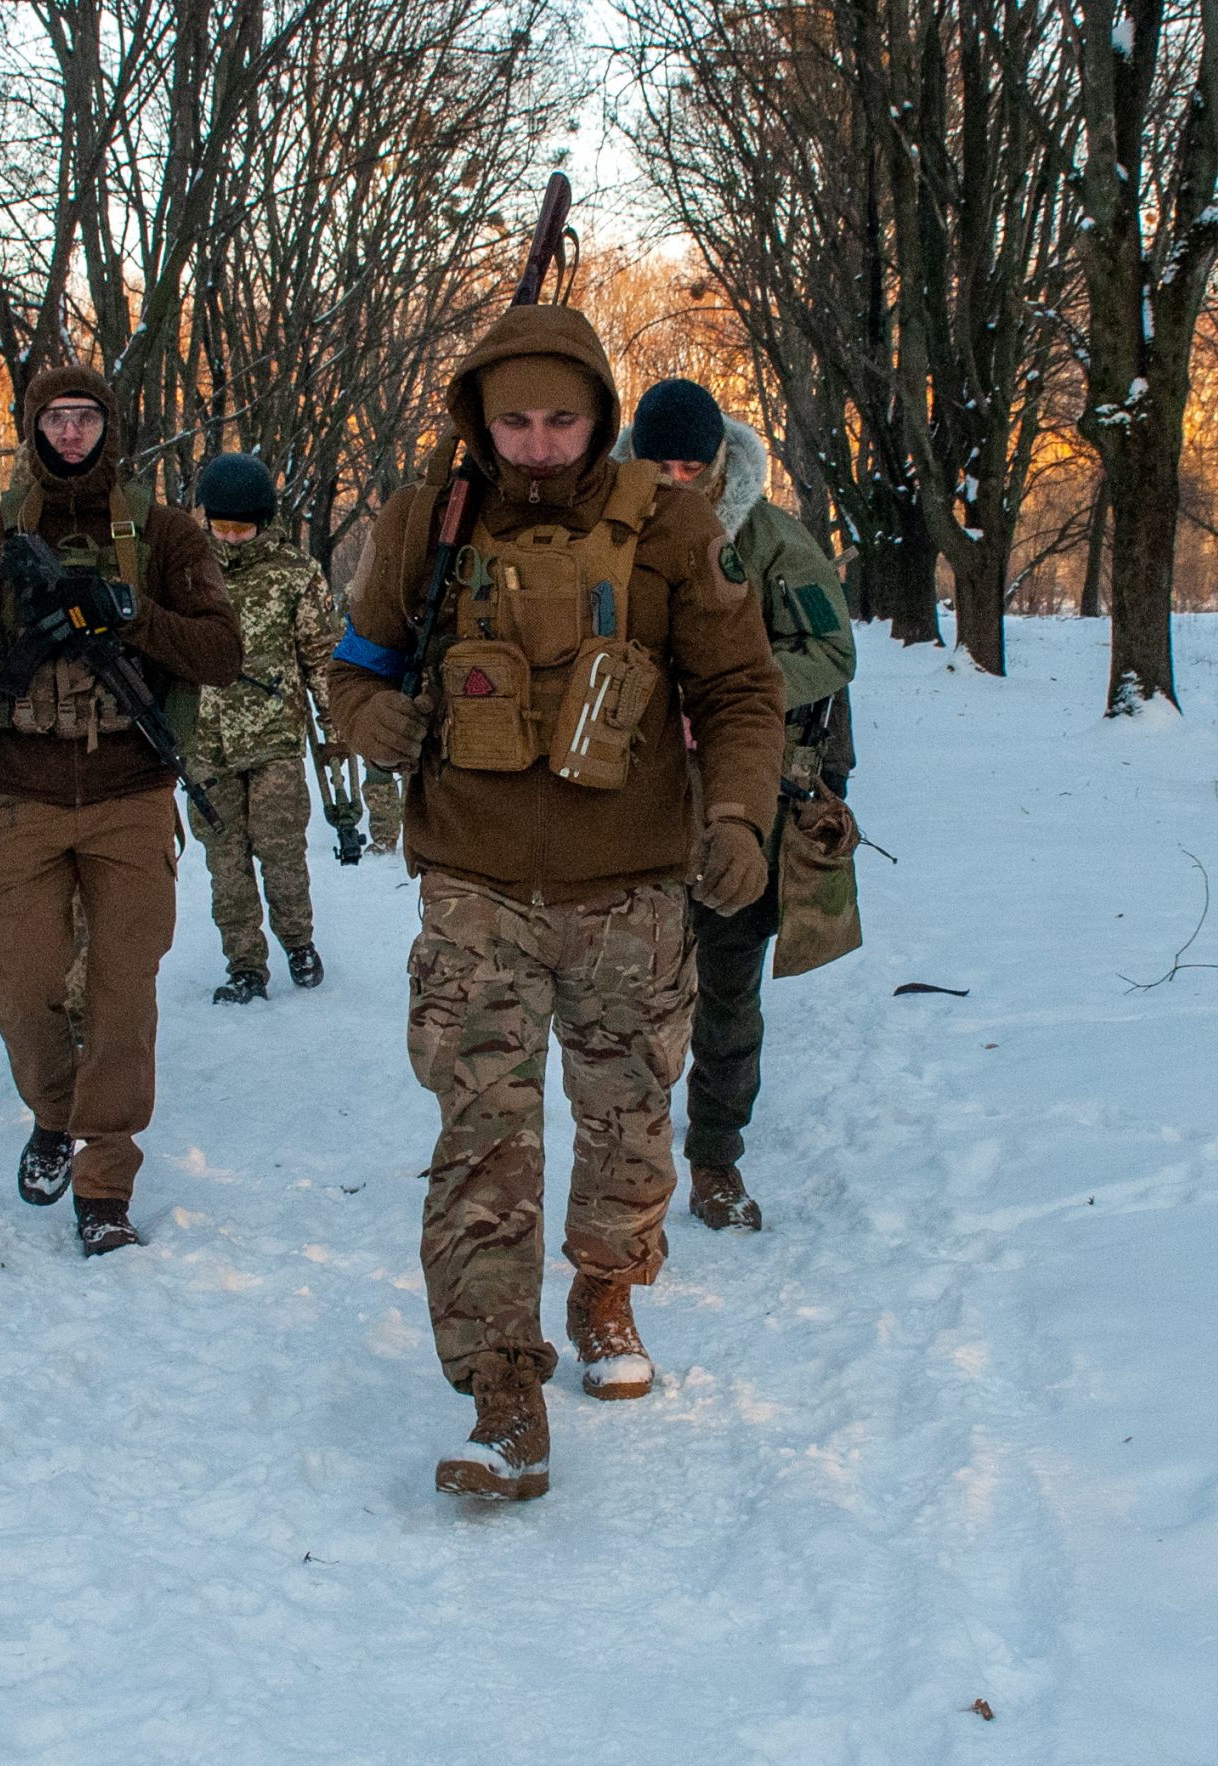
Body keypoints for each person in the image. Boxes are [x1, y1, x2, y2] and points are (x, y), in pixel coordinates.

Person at [325, 306, 783, 1502]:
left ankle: (606, 1289)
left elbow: (741, 689)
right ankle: (501, 1397)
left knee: (629, 1123)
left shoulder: (671, 524)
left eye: (561, 419)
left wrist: (736, 816)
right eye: (513, 419)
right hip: (473, 886)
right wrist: (363, 717)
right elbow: (357, 659)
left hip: (629, 889)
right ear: (478, 416)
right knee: (482, 1140)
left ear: (600, 415)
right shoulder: (427, 519)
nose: (536, 443)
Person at [0, 365, 243, 1255]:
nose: (73, 433)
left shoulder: (163, 535)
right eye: (56, 418)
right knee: (20, 982)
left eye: (88, 417)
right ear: (32, 427)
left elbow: (221, 652)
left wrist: (129, 615)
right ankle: (55, 1114)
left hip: (131, 796)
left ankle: (104, 1179)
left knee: (123, 993)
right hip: (21, 798)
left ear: (111, 426)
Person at [616, 379, 859, 1231]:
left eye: (693, 463)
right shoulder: (603, 534)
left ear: (719, 461)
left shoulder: (771, 539)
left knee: (726, 987)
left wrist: (732, 695)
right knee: (630, 994)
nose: (677, 479)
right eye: (660, 464)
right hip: (629, 797)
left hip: (742, 795)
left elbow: (831, 650)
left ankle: (716, 1155)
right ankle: (630, 1166)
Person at [185, 453, 340, 1004]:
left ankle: (298, 941)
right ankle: (245, 963)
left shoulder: (294, 574)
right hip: (204, 745)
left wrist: (336, 722)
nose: (229, 538)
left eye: (241, 528)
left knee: (280, 850)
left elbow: (321, 656)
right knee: (224, 861)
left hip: (274, 740)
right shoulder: (185, 571)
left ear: (264, 521)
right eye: (220, 527)